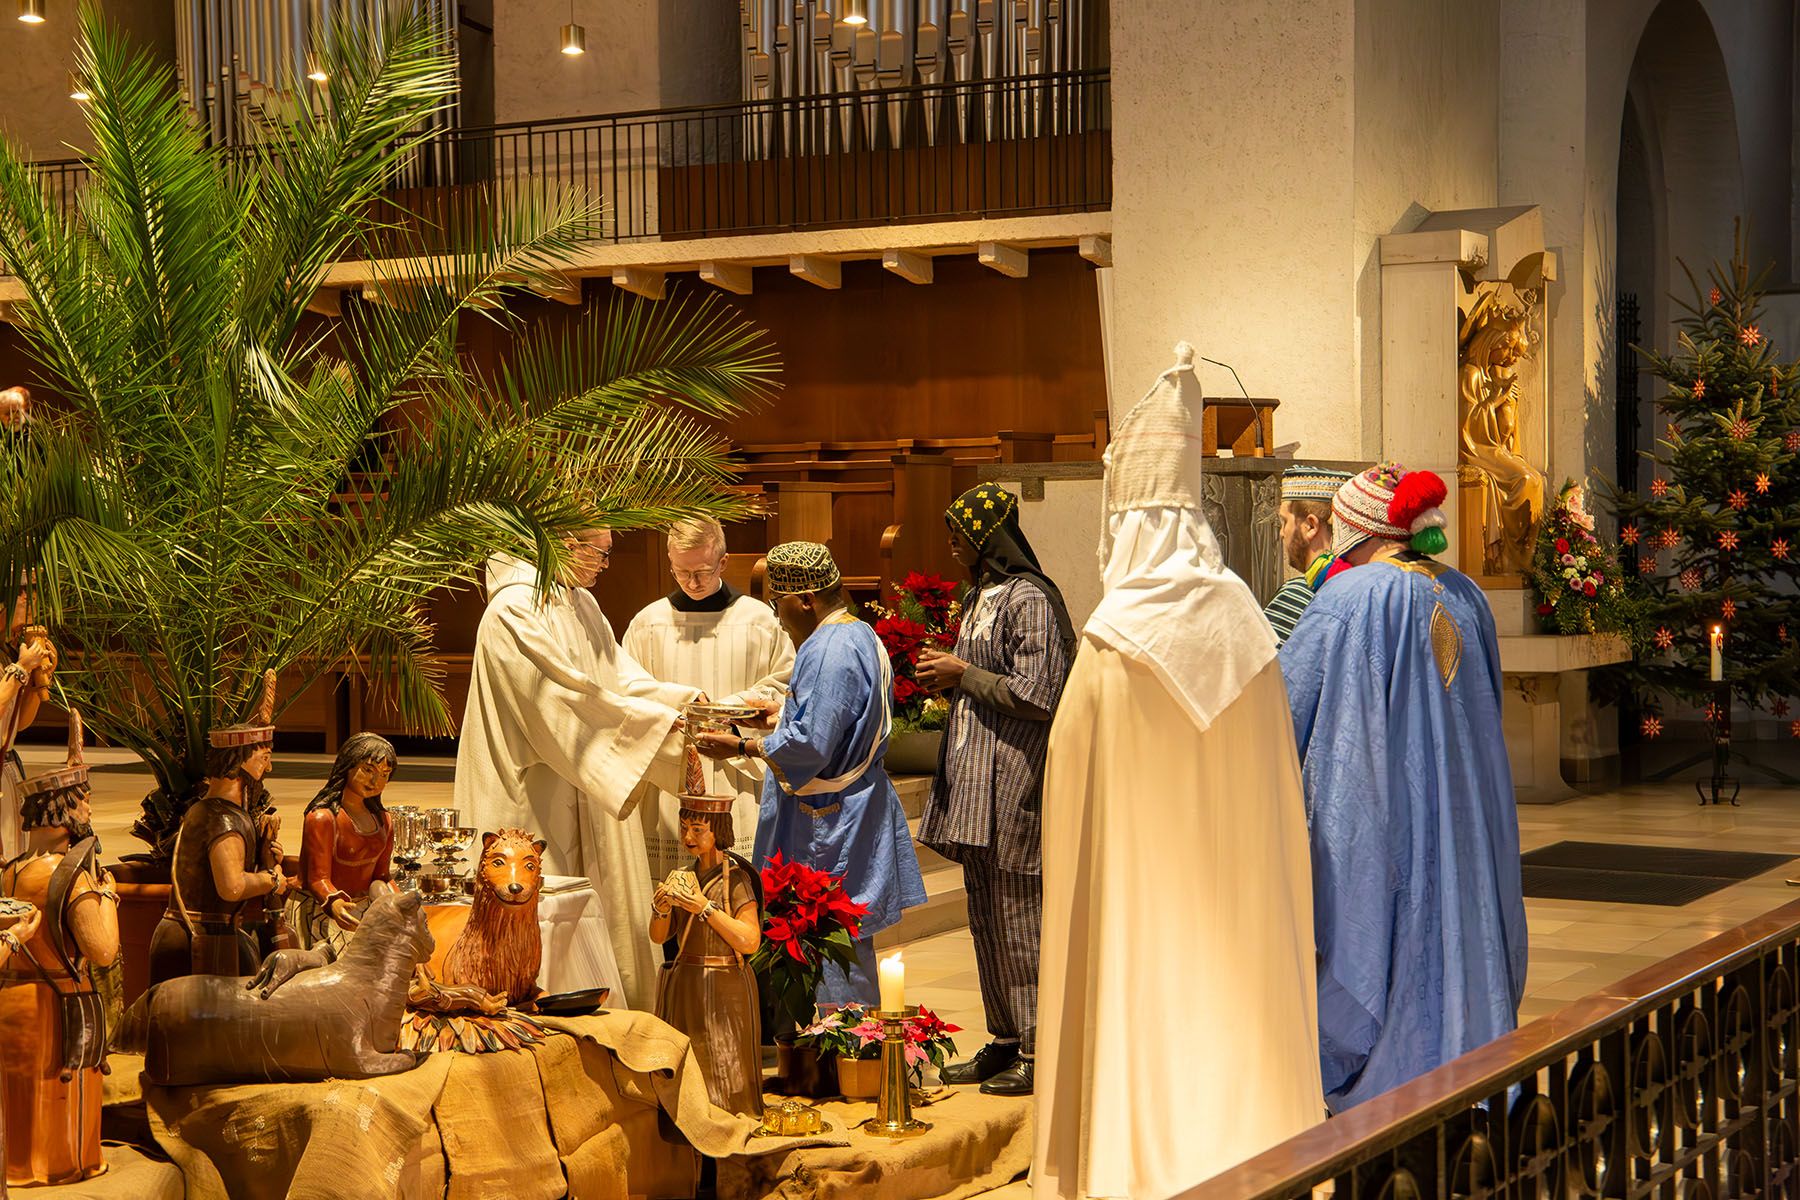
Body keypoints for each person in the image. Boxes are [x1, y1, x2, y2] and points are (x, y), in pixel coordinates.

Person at [1034, 345, 1323, 1200]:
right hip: (1238, 920)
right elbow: (1280, 787)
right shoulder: (1246, 628)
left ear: (1125, 525)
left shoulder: (1110, 644)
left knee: (1145, 1003)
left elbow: (1068, 794)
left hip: (1141, 908)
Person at [1280, 462, 1527, 1112]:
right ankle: (1475, 1077)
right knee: (1462, 925)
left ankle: (1399, 1086)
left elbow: (1285, 704)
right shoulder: (1467, 594)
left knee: (1396, 934)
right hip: (1465, 810)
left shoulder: (1351, 597)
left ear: (1357, 531)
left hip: (1394, 816)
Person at [455, 528, 700, 1010]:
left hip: (586, 788)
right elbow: (561, 704)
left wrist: (689, 707)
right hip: (532, 800)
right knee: (533, 930)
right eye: (600, 552)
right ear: (566, 540)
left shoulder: (581, 604)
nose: (606, 565)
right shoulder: (513, 610)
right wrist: (663, 727)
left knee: (601, 920)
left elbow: (618, 679)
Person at [692, 541, 925, 1006]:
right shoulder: (856, 632)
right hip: (854, 802)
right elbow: (836, 720)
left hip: (828, 817)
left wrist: (741, 744)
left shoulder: (828, 648)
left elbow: (813, 746)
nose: (780, 619)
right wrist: (780, 715)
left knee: (824, 932)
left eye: (780, 607)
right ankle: (840, 1051)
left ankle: (837, 1051)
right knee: (837, 937)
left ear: (806, 599)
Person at [915, 482, 1073, 1098]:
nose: (952, 544)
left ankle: (1039, 1046)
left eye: (959, 533)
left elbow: (1040, 693)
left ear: (987, 536)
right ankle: (1005, 1039)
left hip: (1015, 783)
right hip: (973, 783)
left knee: (1019, 913)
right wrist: (952, 684)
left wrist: (964, 674)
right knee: (983, 913)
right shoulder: (983, 593)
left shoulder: (1030, 598)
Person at [624, 518, 793, 882]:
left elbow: (785, 681)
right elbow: (628, 688)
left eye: (702, 570)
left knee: (741, 882)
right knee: (670, 882)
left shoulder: (759, 620)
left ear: (723, 562)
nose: (693, 582)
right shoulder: (647, 623)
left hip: (738, 769)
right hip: (671, 771)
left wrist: (726, 709)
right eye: (681, 571)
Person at [0, 712, 120, 1187]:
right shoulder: (71, 878)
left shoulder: (10, 870)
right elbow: (104, 949)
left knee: (16, 1095)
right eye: (82, 800)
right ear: (62, 809)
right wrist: (108, 896)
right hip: (55, 1006)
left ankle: (15, 1168)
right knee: (57, 1094)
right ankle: (57, 1167)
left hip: (10, 1001)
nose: (88, 809)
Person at [148, 671, 290, 984]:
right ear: (239, 760)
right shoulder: (222, 820)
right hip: (200, 943)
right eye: (263, 757)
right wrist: (271, 879)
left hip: (202, 937)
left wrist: (266, 853)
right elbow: (232, 887)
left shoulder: (207, 809)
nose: (268, 767)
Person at [648, 793, 764, 1117]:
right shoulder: (683, 876)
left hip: (725, 986)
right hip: (687, 984)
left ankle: (729, 1128)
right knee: (690, 1063)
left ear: (718, 830)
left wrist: (705, 908)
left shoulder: (736, 879)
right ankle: (689, 1125)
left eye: (697, 829)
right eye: (685, 828)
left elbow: (750, 940)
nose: (688, 837)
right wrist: (660, 908)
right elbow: (659, 936)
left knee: (726, 1065)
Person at [294, 733, 398, 953]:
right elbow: (317, 879)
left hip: (364, 911)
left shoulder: (384, 821)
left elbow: (381, 877)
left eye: (384, 775)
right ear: (347, 766)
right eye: (368, 770)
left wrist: (402, 902)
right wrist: (335, 903)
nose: (375, 781)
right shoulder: (322, 818)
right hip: (323, 911)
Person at [1263, 466, 1353, 646]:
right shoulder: (1360, 587)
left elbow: (1262, 671)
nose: (1282, 533)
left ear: (1311, 526)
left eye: (1285, 522)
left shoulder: (1296, 594)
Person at [1, 590, 58, 859]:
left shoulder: (7, 651)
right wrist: (22, 668)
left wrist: (39, 677)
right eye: (22, 591)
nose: (31, 598)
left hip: (7, 766)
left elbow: (19, 723)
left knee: (12, 854)